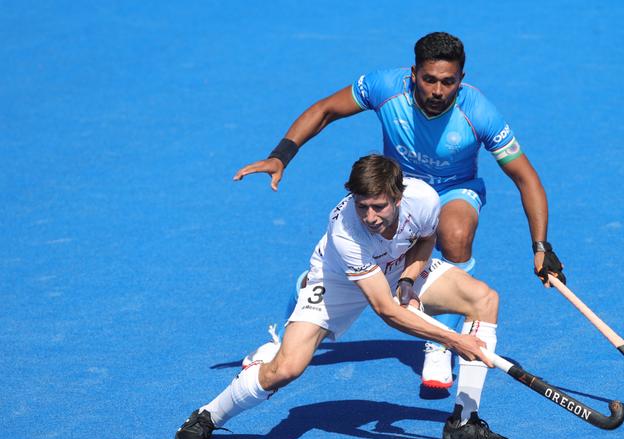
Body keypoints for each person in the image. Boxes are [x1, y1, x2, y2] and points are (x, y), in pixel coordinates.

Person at [234, 32, 565, 389]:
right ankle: (290, 325)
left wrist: (541, 246)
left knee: (454, 233)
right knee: (343, 271)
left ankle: (440, 342)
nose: (438, 91)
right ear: (413, 75)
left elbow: (526, 178)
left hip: (454, 190)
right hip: (396, 190)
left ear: (461, 80)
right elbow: (325, 110)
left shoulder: (479, 113)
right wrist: (281, 155)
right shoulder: (384, 87)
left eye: (448, 82)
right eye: (430, 80)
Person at [175, 155, 516, 439]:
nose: (369, 216)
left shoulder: (424, 199)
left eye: (378, 206)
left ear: (398, 197)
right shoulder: (345, 230)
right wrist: (455, 341)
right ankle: (209, 415)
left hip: (397, 264)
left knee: (484, 299)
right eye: (361, 205)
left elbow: (426, 238)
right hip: (336, 279)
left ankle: (464, 424)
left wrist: (409, 279)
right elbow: (386, 311)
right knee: (286, 369)